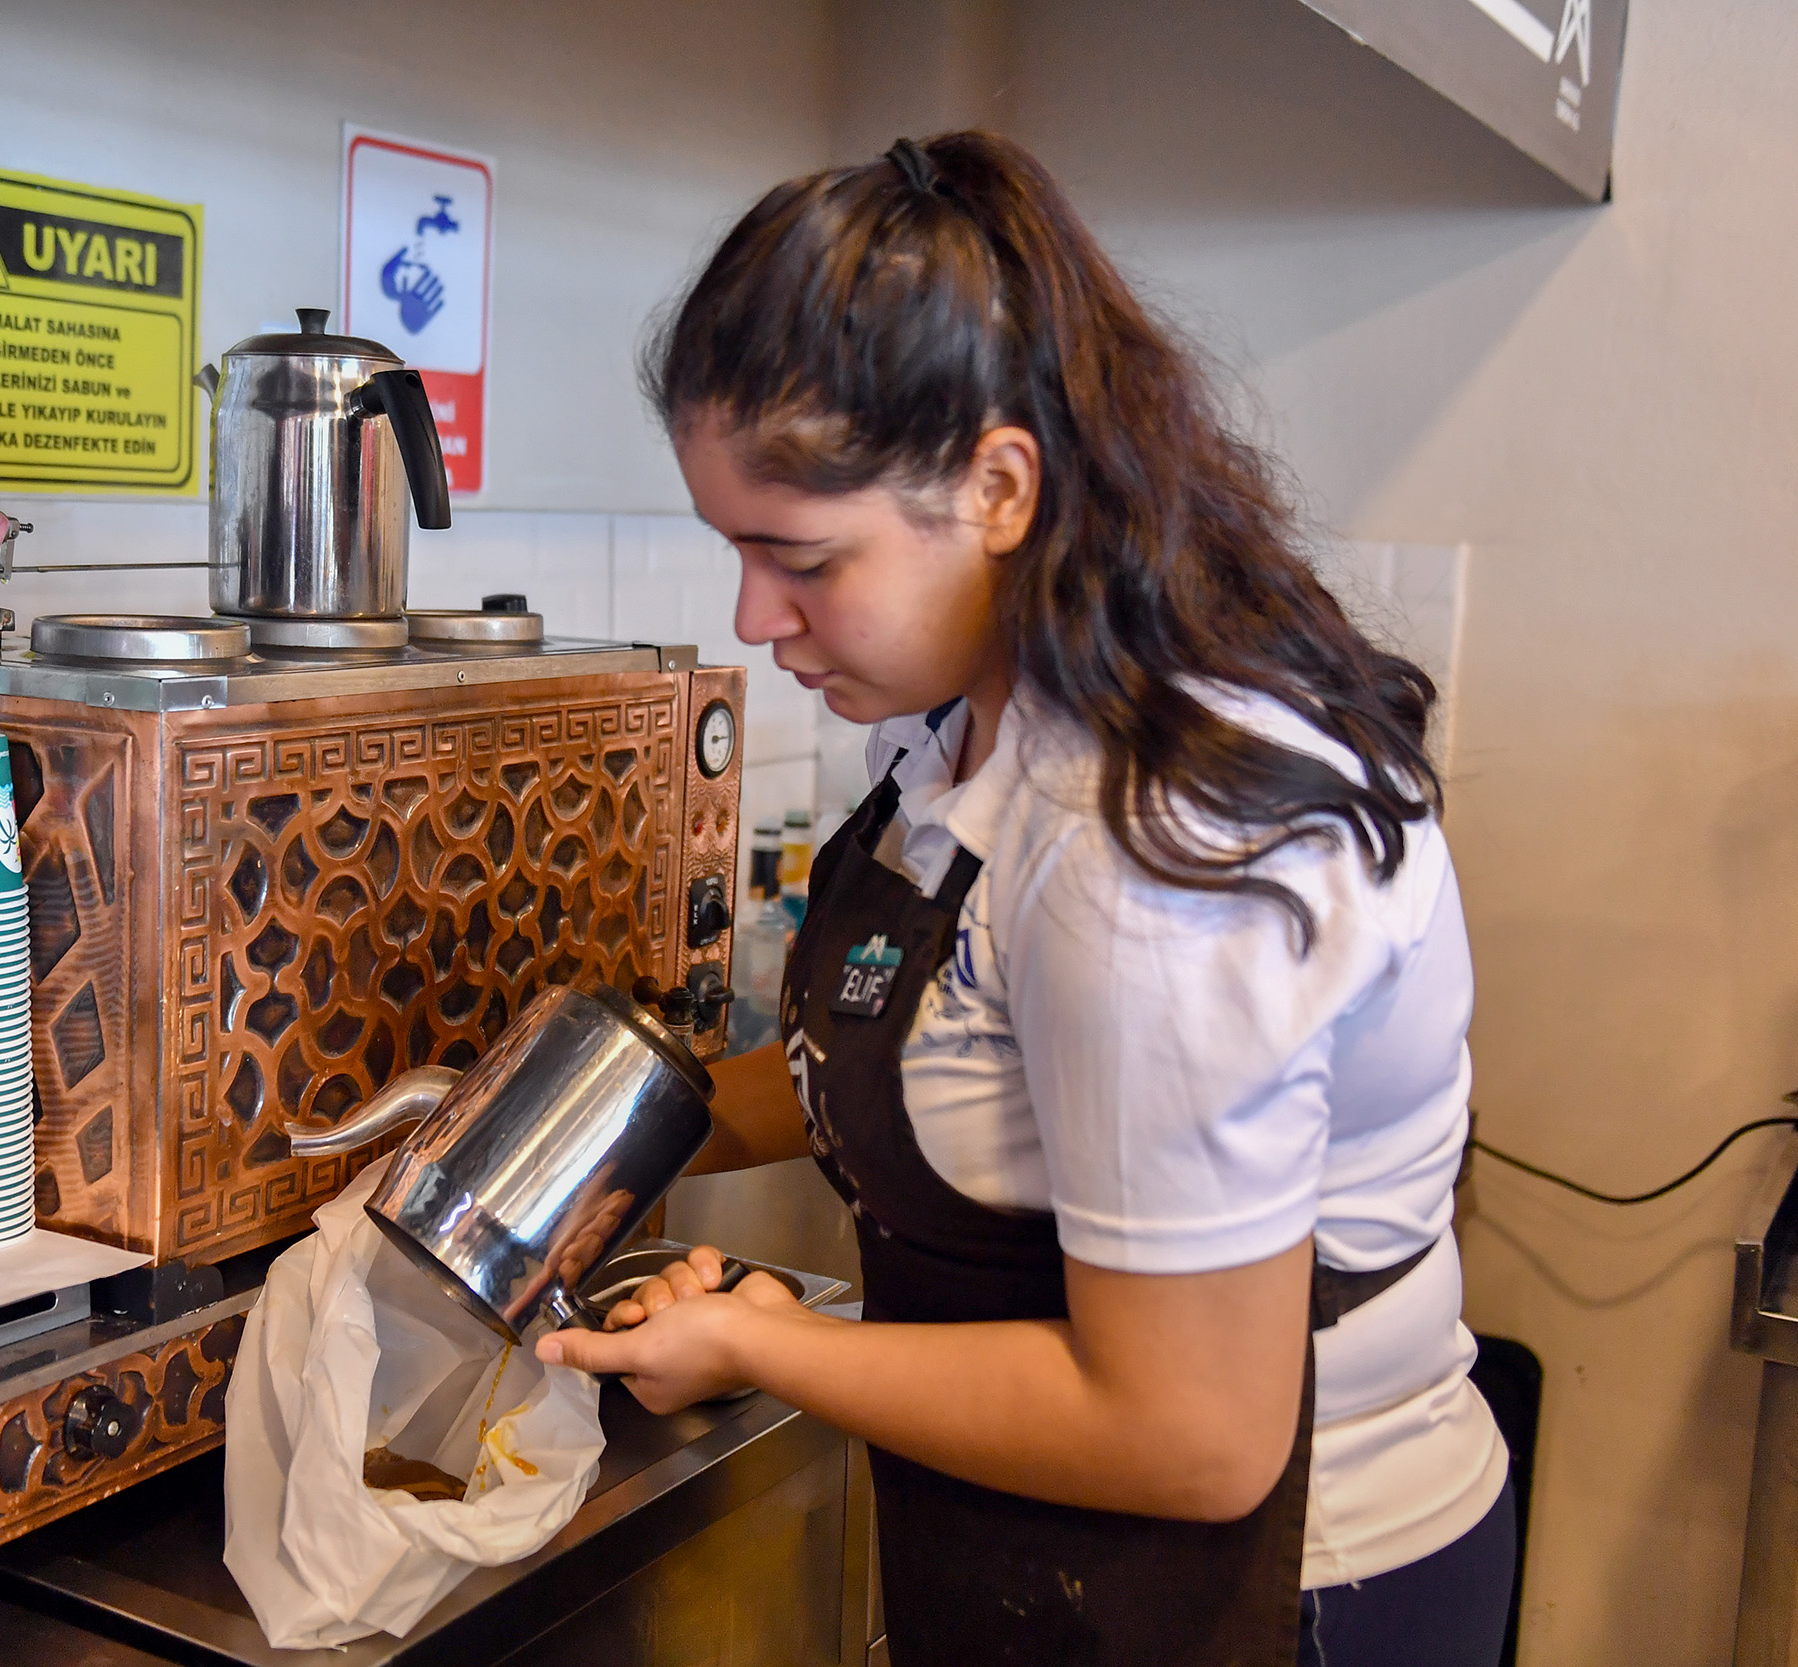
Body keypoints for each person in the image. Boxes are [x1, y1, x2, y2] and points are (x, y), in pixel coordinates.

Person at [534, 132, 1514, 1667]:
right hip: (1052, 1565)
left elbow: (1193, 1435)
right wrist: (613, 1132)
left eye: (798, 556)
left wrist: (767, 1342)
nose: (751, 615)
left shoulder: (1152, 851)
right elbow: (950, 1048)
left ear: (999, 486)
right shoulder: (981, 706)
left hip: (1275, 1595)